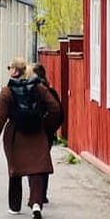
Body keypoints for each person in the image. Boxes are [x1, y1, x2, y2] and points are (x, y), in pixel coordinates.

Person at [0, 57, 61, 219]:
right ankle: (36, 203)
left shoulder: (7, 92)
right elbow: (55, 109)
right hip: (37, 131)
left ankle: (14, 206)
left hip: (15, 133)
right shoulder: (39, 88)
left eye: (10, 67)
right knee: (37, 168)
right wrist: (46, 126)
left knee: (15, 170)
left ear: (14, 71)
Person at [32, 62, 64, 204]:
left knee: (32, 163)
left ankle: (35, 194)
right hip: (47, 133)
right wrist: (51, 128)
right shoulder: (51, 92)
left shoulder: (31, 91)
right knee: (43, 162)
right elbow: (59, 113)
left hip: (33, 132)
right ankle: (42, 194)